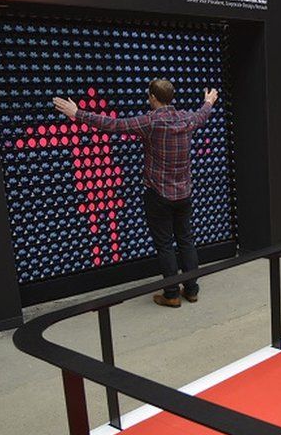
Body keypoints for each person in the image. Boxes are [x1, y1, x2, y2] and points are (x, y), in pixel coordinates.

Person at [53, 80, 219, 308]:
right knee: (186, 241)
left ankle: (171, 294)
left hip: (158, 195)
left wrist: (78, 113)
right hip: (184, 194)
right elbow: (203, 114)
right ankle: (191, 290)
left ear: (152, 96)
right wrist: (209, 101)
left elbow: (113, 125)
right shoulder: (187, 118)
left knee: (165, 245)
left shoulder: (150, 122)